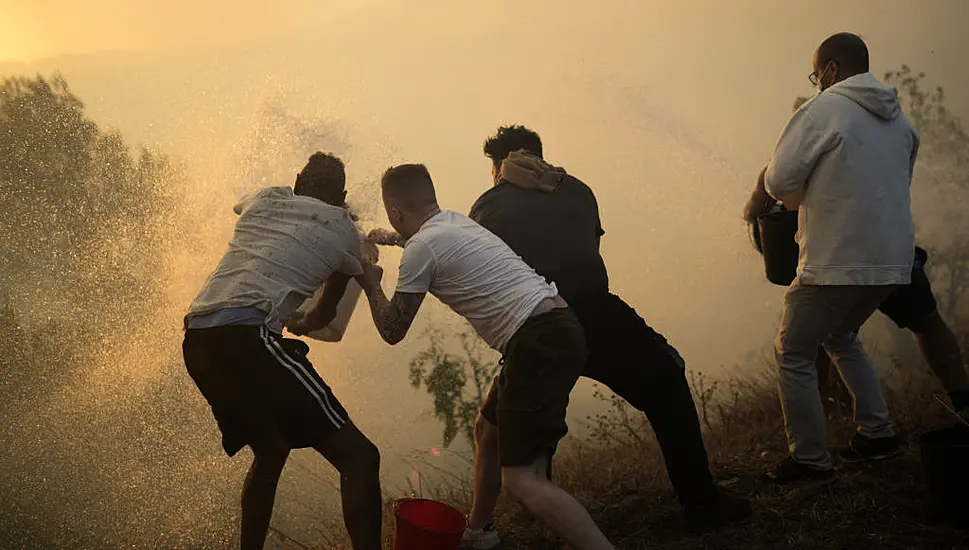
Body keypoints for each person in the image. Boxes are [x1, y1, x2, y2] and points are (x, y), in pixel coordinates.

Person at [458, 124, 749, 545]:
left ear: (499, 166)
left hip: (539, 326)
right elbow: (585, 250)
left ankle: (540, 514)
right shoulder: (577, 189)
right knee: (667, 383)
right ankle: (703, 504)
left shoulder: (488, 205)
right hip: (599, 312)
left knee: (513, 422)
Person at [357, 163, 616, 550]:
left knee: (522, 480)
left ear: (396, 210)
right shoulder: (452, 223)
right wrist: (390, 237)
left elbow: (393, 330)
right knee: (487, 430)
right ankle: (479, 533)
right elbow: (423, 240)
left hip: (538, 342)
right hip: (553, 327)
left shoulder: (420, 250)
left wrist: (370, 284)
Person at [181, 153, 382, 550]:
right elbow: (323, 314)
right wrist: (299, 322)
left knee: (271, 450)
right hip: (247, 337)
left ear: (295, 180)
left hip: (198, 335)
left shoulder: (266, 197)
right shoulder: (344, 232)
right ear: (341, 198)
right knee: (361, 459)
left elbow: (250, 206)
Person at [757, 32, 920, 484]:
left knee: (793, 349)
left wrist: (790, 193)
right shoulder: (901, 121)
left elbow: (779, 180)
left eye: (817, 74)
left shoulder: (823, 109)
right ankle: (878, 434)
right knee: (841, 334)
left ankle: (809, 459)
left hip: (836, 258)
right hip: (892, 260)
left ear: (830, 69)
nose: (817, 83)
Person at [745, 105, 969, 426]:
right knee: (925, 321)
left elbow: (755, 210)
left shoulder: (785, 165)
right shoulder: (868, 148)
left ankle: (828, 424)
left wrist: (765, 226)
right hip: (890, 254)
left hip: (836, 264)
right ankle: (961, 401)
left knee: (811, 341)